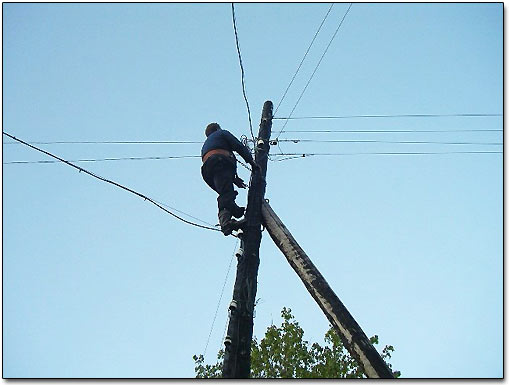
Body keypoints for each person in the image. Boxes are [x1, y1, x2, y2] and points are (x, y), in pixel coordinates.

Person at [201, 122, 259, 236]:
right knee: (226, 194)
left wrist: (234, 178)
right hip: (219, 162)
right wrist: (252, 163)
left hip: (208, 170)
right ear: (217, 128)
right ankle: (226, 223)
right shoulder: (222, 133)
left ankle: (235, 212)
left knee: (226, 192)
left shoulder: (207, 144)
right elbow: (238, 146)